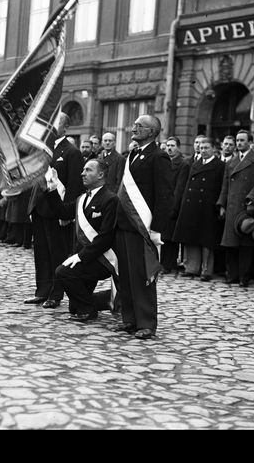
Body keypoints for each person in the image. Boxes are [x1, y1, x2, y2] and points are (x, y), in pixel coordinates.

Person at [113, 115, 173, 340]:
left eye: (140, 126)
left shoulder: (158, 157)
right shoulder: (133, 155)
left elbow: (165, 196)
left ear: (152, 132)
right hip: (124, 224)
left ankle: (146, 322)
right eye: (134, 124)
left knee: (142, 276)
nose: (134, 128)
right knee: (126, 275)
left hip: (142, 226)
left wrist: (156, 228)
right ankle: (129, 319)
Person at [46, 159, 119, 322]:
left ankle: (88, 310)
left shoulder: (110, 199)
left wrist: (80, 257)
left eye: (88, 170)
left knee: (62, 272)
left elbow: (105, 238)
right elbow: (63, 213)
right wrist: (52, 189)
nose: (82, 173)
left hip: (102, 260)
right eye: (83, 170)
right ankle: (109, 299)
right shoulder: (82, 198)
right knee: (74, 307)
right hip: (88, 258)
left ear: (100, 174)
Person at [25, 112, 84, 308]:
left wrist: (67, 213)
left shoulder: (71, 152)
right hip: (40, 207)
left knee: (57, 253)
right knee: (41, 253)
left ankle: (56, 294)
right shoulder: (42, 149)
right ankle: (42, 290)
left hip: (57, 211)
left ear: (65, 128)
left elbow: (75, 185)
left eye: (55, 123)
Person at [216, 130, 254, 288]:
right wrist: (222, 205)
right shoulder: (231, 162)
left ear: (250, 142)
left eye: (242, 141)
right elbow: (225, 186)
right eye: (237, 141)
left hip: (247, 208)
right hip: (232, 207)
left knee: (245, 246)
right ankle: (231, 275)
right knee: (230, 244)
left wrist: (251, 200)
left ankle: (244, 277)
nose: (238, 143)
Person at [173, 136, 224, 281]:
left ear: (214, 149)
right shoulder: (195, 164)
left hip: (208, 206)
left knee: (206, 239)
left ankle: (206, 270)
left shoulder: (219, 166)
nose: (203, 151)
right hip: (192, 205)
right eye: (201, 148)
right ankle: (191, 268)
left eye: (207, 148)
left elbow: (222, 187)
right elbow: (187, 186)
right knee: (191, 237)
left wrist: (220, 204)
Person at [161, 136, 189, 274]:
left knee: (171, 237)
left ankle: (169, 263)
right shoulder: (164, 162)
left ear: (178, 147)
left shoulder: (183, 164)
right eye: (168, 146)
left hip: (173, 204)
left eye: (172, 146)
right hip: (163, 203)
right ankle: (164, 262)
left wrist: (174, 207)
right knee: (163, 236)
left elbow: (179, 188)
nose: (169, 148)